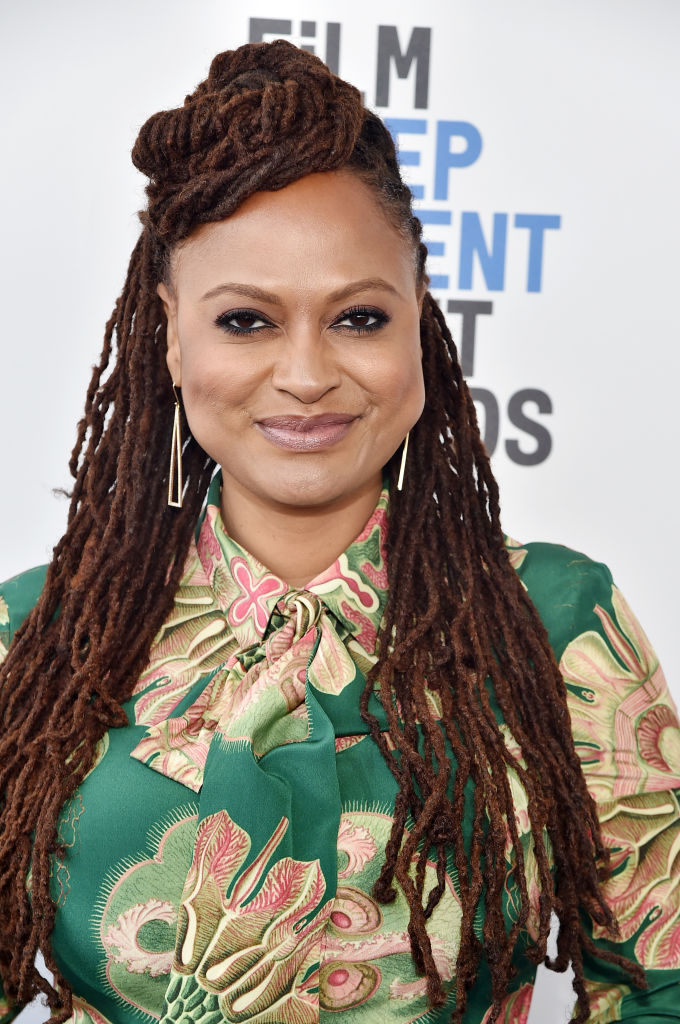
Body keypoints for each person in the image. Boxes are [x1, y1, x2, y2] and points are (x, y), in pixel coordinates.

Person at [0, 39, 678, 1024]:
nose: (308, 374)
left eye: (357, 317)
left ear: (420, 329)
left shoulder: (556, 621)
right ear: (168, 331)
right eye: (246, 321)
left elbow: (663, 988)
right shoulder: (36, 638)